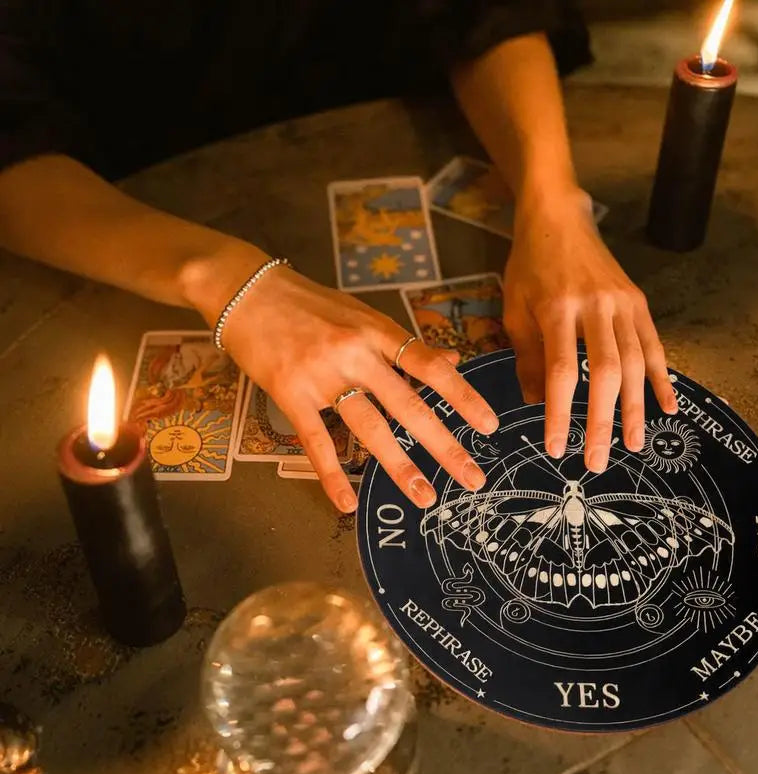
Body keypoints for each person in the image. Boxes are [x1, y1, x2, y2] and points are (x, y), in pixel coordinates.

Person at [0, 0, 676, 514]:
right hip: (127, 204)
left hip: (400, 121)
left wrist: (553, 202)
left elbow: (489, 12)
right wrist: (224, 278)